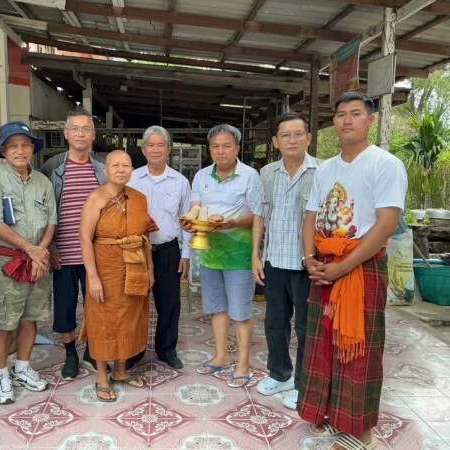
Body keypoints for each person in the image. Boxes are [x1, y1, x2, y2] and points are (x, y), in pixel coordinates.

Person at [298, 92, 407, 450]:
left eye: (356, 113)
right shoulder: (325, 168)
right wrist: (309, 259)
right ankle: (328, 412)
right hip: (324, 264)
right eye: (341, 114)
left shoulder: (385, 164)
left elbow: (385, 225)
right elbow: (311, 217)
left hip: (362, 266)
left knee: (358, 347)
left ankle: (362, 433)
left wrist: (342, 267)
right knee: (323, 342)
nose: (347, 120)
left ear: (370, 120)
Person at [0, 121, 57, 405]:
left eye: (25, 145)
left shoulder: (43, 182)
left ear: (33, 149)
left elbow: (51, 221)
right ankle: (2, 374)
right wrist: (32, 250)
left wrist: (41, 252)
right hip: (7, 262)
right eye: (13, 146)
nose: (20, 151)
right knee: (5, 320)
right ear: (3, 151)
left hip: (38, 260)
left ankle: (22, 368)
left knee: (30, 316)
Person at [252, 112, 320, 410]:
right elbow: (259, 216)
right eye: (285, 135)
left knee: (306, 327)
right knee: (274, 322)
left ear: (309, 138)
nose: (292, 140)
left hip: (307, 264)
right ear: (275, 141)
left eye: (298, 134)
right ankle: (280, 374)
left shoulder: (323, 171)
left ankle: (304, 385)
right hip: (275, 260)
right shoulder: (267, 173)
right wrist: (256, 255)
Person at [185, 124, 262, 388]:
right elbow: (195, 209)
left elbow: (257, 215)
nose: (221, 151)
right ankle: (221, 356)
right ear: (209, 150)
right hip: (209, 253)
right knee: (216, 308)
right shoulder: (202, 176)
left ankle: (243, 364)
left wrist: (233, 223)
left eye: (226, 146)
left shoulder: (250, 175)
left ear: (237, 148)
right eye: (215, 146)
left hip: (239, 254)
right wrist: (190, 223)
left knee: (240, 312)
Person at [79, 150, 158, 402]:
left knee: (128, 317)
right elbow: (85, 238)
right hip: (105, 266)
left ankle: (120, 370)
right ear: (106, 170)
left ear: (132, 170)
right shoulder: (96, 197)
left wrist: (150, 269)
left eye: (126, 165)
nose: (121, 170)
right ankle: (102, 376)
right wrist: (93, 277)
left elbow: (145, 237)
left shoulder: (139, 198)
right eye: (115, 165)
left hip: (134, 265)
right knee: (103, 319)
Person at [39, 106, 108, 380]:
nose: (81, 134)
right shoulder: (52, 167)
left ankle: (92, 351)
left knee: (96, 305)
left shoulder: (102, 169)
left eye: (86, 129)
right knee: (65, 307)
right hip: (63, 254)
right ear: (66, 133)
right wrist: (50, 248)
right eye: (75, 129)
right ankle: (70, 353)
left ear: (94, 134)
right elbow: (43, 210)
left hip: (96, 255)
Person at [127, 125, 191, 370]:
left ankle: (166, 349)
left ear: (169, 149)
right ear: (143, 150)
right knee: (135, 303)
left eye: (160, 145)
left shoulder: (180, 182)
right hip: (136, 251)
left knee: (169, 302)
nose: (155, 150)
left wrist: (186, 254)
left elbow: (187, 221)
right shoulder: (131, 178)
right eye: (150, 145)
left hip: (167, 250)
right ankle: (134, 351)